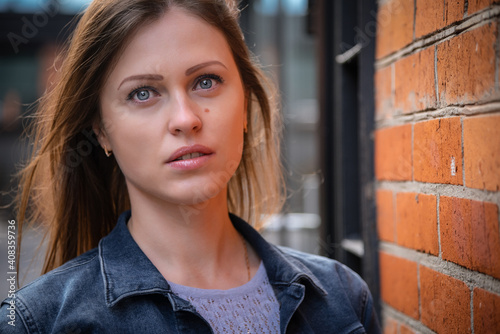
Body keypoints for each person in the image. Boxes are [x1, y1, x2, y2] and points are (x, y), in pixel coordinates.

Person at [0, 0, 380, 333]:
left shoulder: (342, 298)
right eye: (142, 93)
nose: (185, 118)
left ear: (245, 103)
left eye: (206, 81)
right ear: (101, 131)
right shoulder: (38, 322)